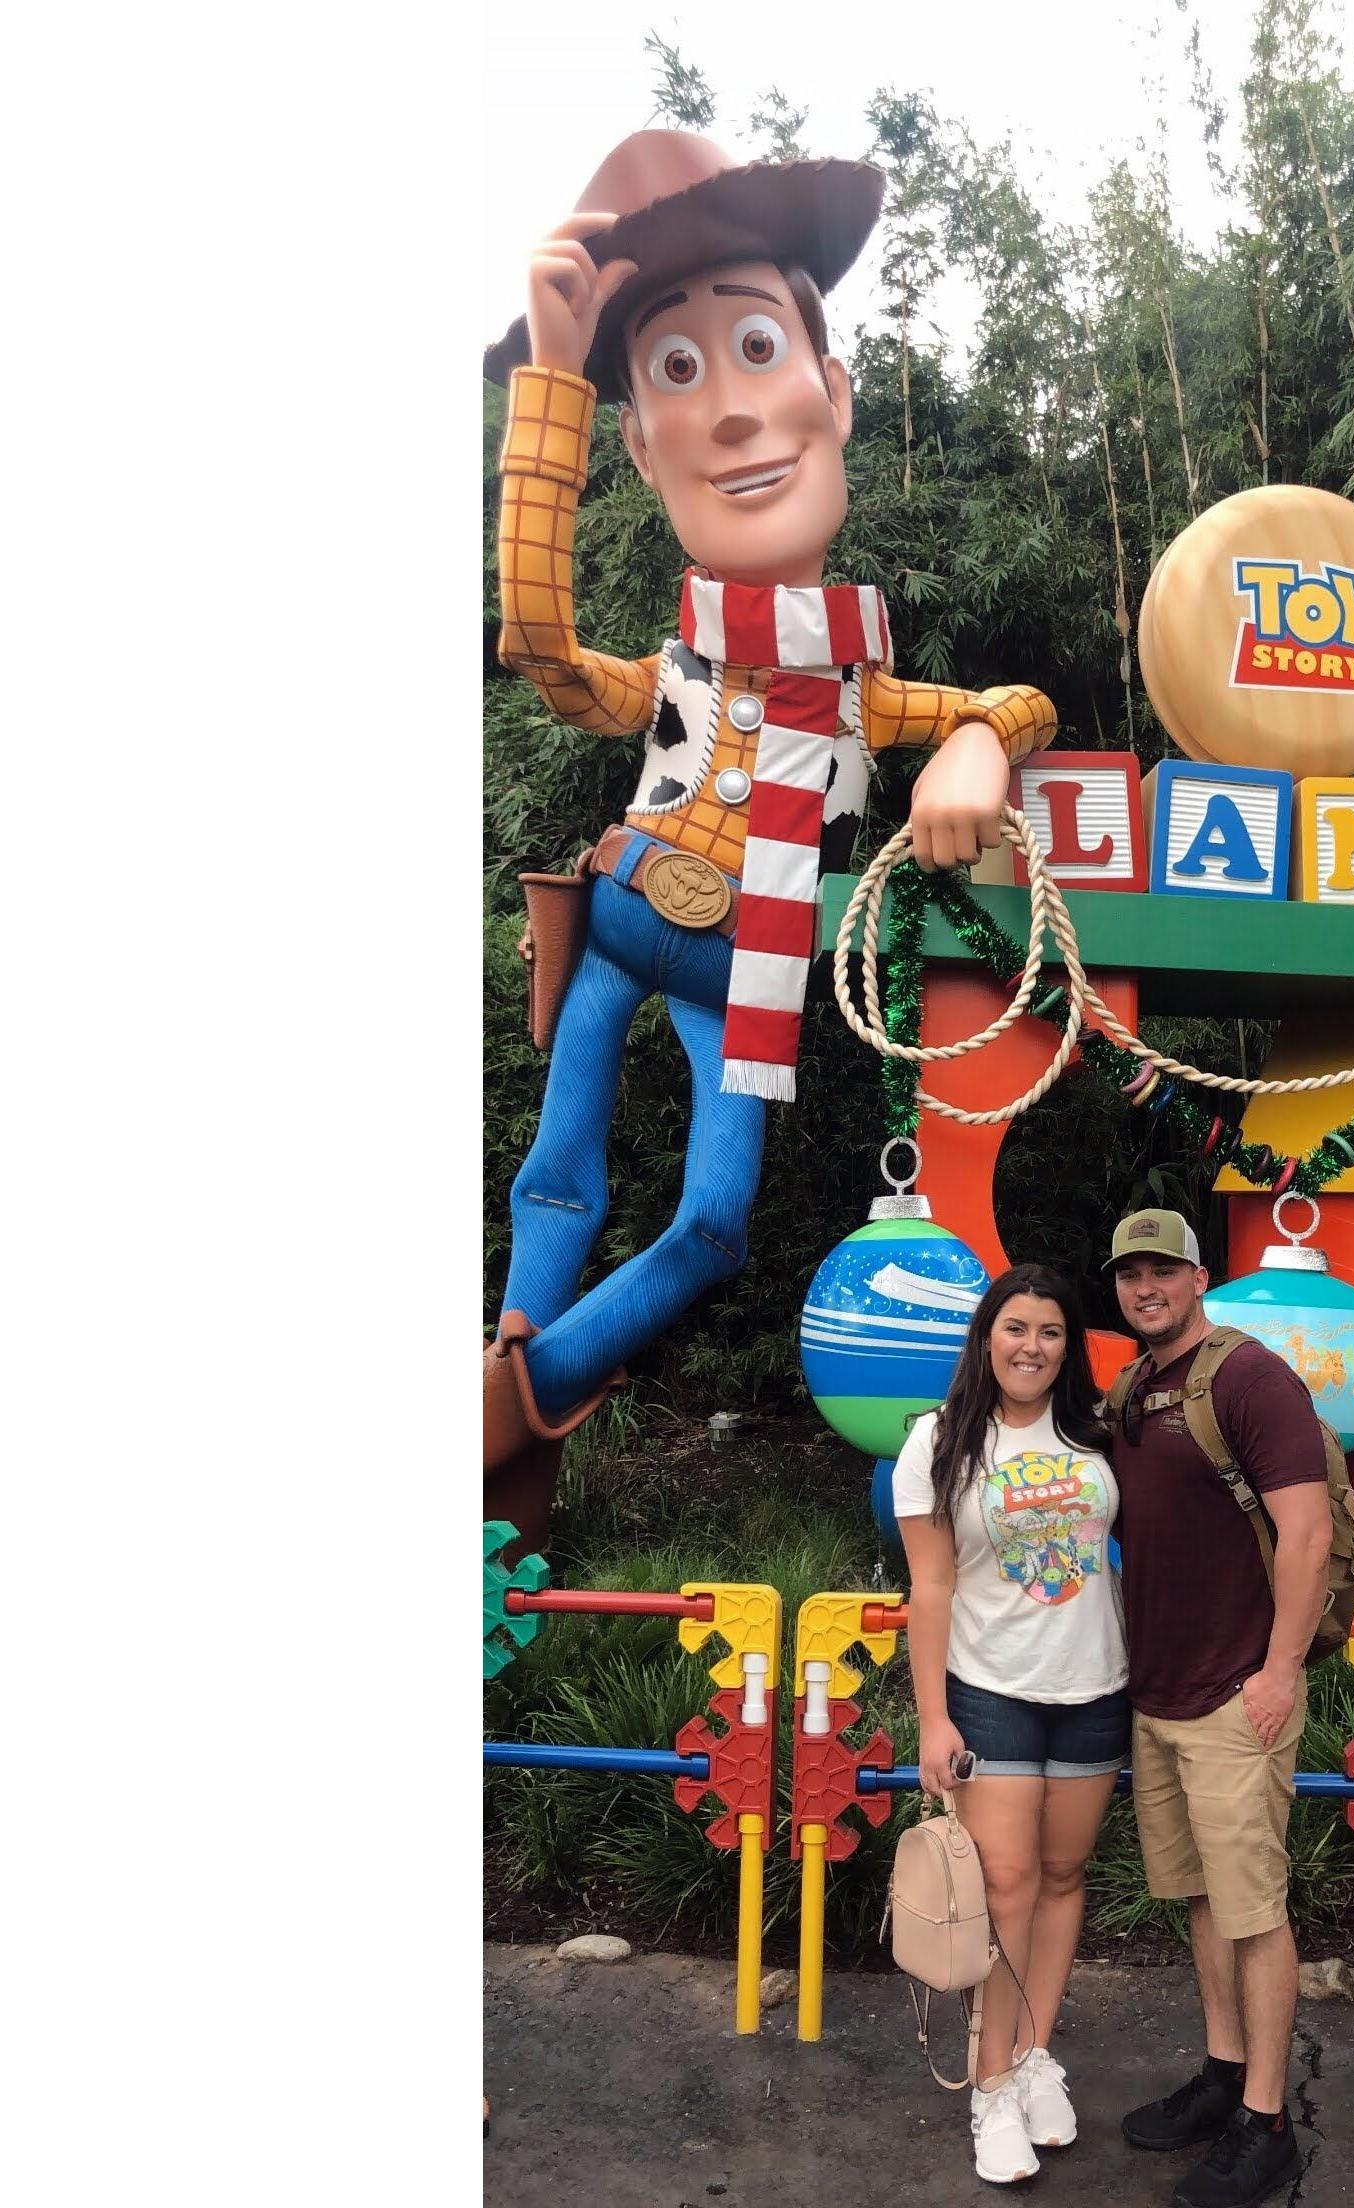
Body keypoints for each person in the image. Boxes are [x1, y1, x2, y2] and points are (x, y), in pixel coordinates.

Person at [482, 130, 1059, 1543]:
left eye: (755, 348)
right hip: (626, 917)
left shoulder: (862, 690)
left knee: (716, 1224)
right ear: (639, 442)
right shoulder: (678, 662)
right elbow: (541, 646)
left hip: (749, 968)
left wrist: (979, 742)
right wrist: (552, 380)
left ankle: (504, 1401)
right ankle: (503, 1454)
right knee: (557, 1179)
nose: (734, 412)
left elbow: (1018, 704)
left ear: (832, 391)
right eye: (678, 371)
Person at [1104, 1210, 1333, 2208]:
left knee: (1254, 1909)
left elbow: (1308, 1533)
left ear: (1201, 1278)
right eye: (1131, 1274)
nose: (1147, 1287)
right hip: (1158, 1692)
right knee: (1203, 1897)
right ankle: (1226, 2073)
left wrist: (1279, 1669)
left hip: (1239, 1689)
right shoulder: (1133, 1389)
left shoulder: (1250, 1378)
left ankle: (1269, 2123)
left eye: (1164, 1270)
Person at [892, 1263, 1130, 2187]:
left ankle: (1034, 2058)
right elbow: (931, 1588)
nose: (1032, 1346)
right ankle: (990, 2088)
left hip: (1095, 1685)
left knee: (1064, 1878)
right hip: (990, 1688)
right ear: (986, 1336)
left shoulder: (1096, 1435)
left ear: (1070, 1347)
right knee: (1008, 1885)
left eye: (1051, 1331)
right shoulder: (940, 1440)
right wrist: (932, 1720)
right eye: (1016, 1328)